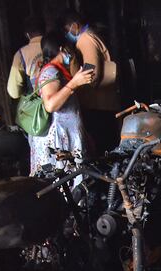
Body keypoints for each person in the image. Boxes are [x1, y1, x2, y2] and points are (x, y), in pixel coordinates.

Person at [28, 32, 94, 175]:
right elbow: (50, 105)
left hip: (65, 135)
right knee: (63, 184)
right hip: (58, 138)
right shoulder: (51, 71)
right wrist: (74, 83)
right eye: (68, 48)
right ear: (61, 48)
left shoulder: (57, 70)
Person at [62, 10, 120, 154]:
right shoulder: (92, 34)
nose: (66, 33)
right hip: (103, 103)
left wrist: (75, 73)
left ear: (74, 25)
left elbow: (92, 75)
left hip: (98, 105)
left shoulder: (86, 39)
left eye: (66, 29)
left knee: (103, 149)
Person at [7, 15, 45, 100]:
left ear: (27, 35)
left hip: (39, 106)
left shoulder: (20, 54)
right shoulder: (57, 45)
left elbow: (14, 92)